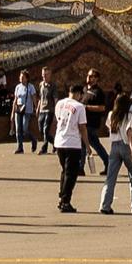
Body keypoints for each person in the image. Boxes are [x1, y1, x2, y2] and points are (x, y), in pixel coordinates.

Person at [97, 87, 132, 214]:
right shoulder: (128, 116)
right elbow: (129, 133)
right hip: (125, 145)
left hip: (114, 146)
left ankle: (105, 205)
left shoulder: (110, 115)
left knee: (110, 177)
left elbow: (108, 128)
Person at [51, 80, 90, 213]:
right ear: (78, 94)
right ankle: (65, 201)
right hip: (72, 143)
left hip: (59, 141)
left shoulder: (60, 104)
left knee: (64, 171)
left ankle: (62, 197)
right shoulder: (79, 107)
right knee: (71, 173)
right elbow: (82, 127)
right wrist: (88, 145)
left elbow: (58, 119)